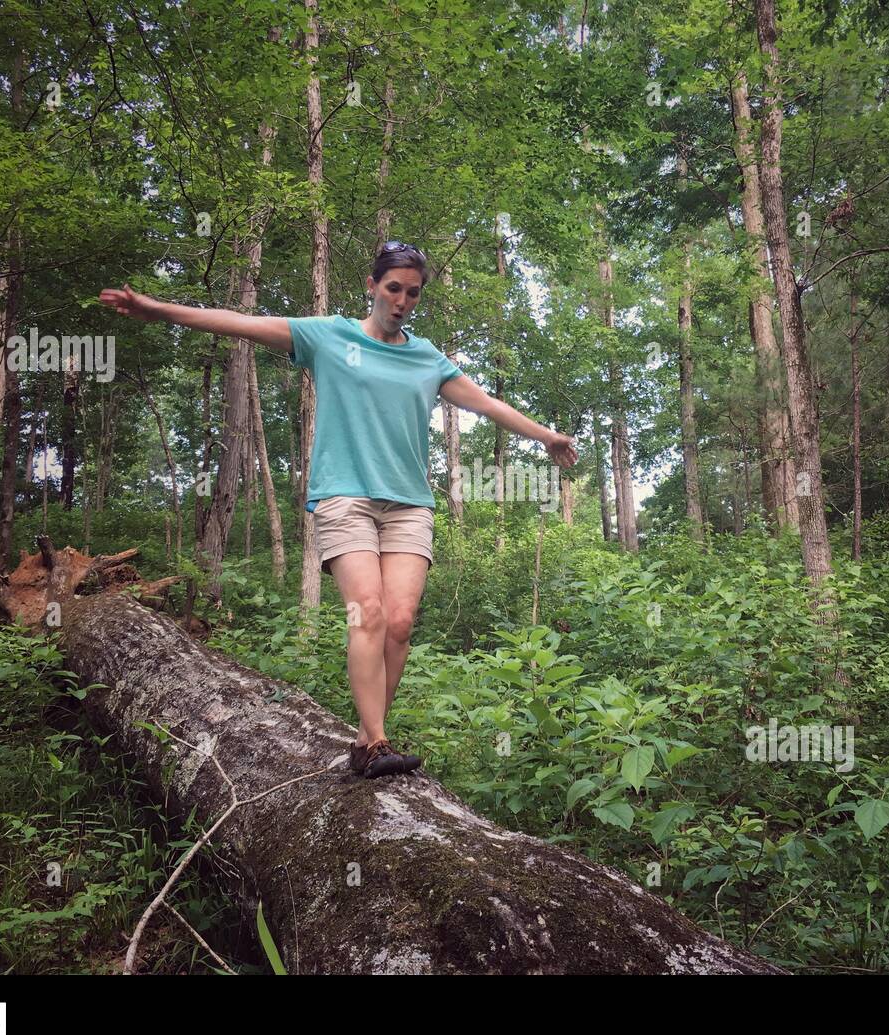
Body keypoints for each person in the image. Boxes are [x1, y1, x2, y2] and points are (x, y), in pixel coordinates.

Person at [100, 240, 578, 779]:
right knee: (366, 611)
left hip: (409, 505)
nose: (401, 301)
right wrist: (153, 308)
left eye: (412, 293)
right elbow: (237, 323)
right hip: (344, 496)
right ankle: (375, 743)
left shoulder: (426, 358)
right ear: (372, 286)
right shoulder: (329, 336)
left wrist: (546, 437)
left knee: (399, 622)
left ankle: (369, 735)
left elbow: (487, 403)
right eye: (393, 288)